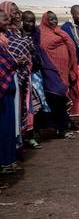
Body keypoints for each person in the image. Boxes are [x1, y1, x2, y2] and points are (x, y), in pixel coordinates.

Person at [39, 11, 77, 139]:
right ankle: (54, 127)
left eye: (55, 19)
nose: (54, 22)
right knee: (54, 97)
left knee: (61, 98)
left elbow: (71, 46)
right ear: (45, 20)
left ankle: (62, 128)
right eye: (51, 20)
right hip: (49, 70)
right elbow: (43, 48)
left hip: (63, 72)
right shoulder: (41, 33)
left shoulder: (61, 32)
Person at [22, 11, 52, 148]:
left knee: (37, 102)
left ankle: (35, 132)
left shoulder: (36, 34)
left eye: (32, 21)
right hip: (22, 73)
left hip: (35, 72)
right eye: (27, 21)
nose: (30, 24)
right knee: (26, 105)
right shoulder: (17, 35)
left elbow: (37, 52)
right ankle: (26, 135)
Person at [0, 9, 21, 173]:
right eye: (2, 17)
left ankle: (9, 159)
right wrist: (16, 61)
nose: (6, 19)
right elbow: (7, 62)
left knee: (9, 123)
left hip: (9, 86)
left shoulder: (5, 37)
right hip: (3, 86)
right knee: (4, 124)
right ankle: (4, 162)